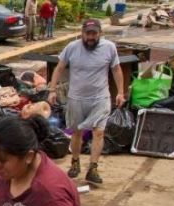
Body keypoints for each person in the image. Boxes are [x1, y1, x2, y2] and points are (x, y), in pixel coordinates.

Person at [47, 19, 125, 184]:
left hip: (100, 98)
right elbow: (59, 68)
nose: (90, 37)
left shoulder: (109, 48)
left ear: (100, 33)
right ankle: (75, 162)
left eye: (94, 33)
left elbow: (116, 69)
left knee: (99, 132)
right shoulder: (72, 47)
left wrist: (120, 92)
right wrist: (52, 90)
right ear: (82, 33)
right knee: (77, 133)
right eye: (87, 33)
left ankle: (93, 168)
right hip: (76, 98)